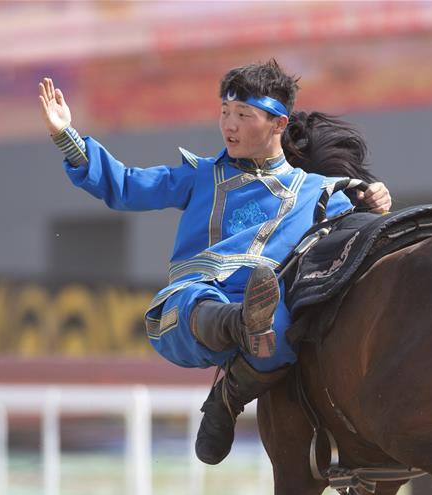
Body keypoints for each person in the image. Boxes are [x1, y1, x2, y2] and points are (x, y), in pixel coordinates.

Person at [38, 61, 391, 466]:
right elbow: (124, 184)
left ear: (278, 124)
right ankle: (238, 324)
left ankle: (228, 397)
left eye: (243, 115)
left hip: (269, 310)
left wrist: (375, 201)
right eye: (225, 112)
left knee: (280, 331)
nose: (230, 125)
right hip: (193, 304)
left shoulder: (320, 192)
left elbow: (359, 232)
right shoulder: (201, 175)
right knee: (205, 309)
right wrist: (65, 135)